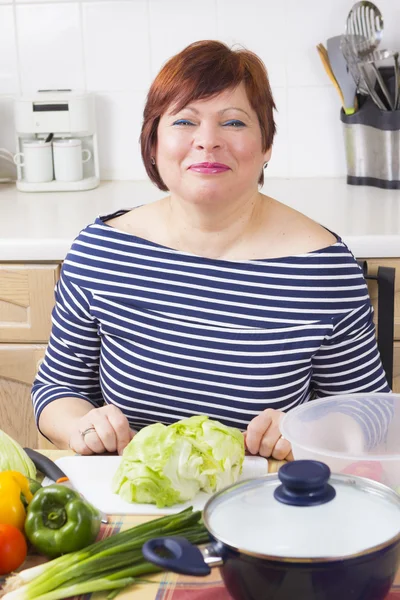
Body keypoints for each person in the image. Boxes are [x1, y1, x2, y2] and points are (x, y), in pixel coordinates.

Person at [32, 40, 391, 460]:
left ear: (266, 145)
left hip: (269, 504)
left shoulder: (322, 268)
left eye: (234, 123)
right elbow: (58, 388)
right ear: (153, 143)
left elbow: (371, 414)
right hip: (132, 507)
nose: (208, 141)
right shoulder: (101, 252)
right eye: (184, 121)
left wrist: (310, 431)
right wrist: (80, 424)